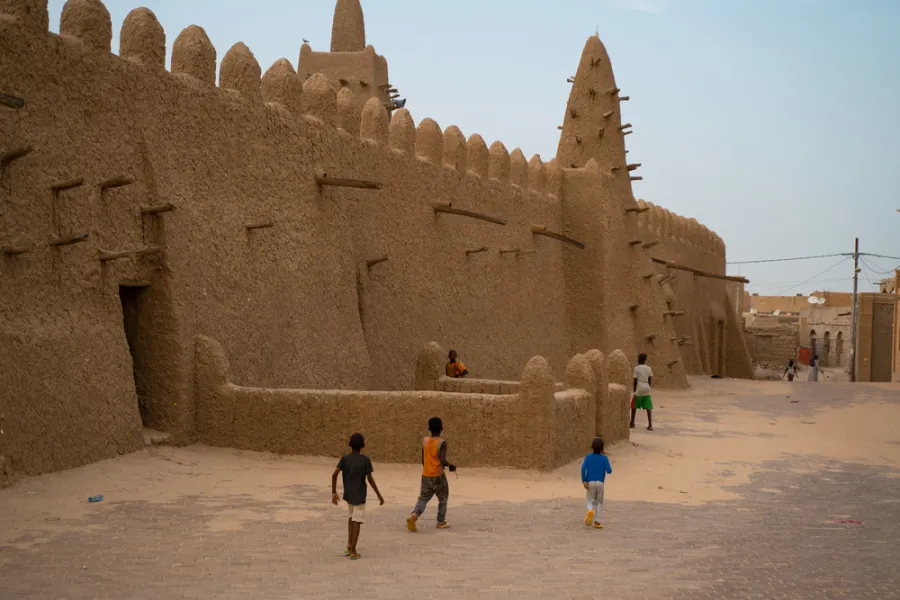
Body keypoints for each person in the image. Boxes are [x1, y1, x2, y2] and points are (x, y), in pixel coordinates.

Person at [331, 433, 384, 560]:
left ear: (350, 445)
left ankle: (349, 545)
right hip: (360, 495)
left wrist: (334, 492)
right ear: (363, 446)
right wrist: (379, 495)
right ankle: (353, 551)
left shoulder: (345, 458)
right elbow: (370, 479)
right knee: (357, 520)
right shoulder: (365, 460)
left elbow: (334, 474)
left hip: (348, 494)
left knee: (351, 518)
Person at [407, 417, 456, 532]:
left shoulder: (425, 441)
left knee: (423, 498)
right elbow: (443, 460)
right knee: (443, 498)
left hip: (426, 475)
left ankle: (414, 515)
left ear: (429, 429)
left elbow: (423, 459)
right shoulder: (442, 443)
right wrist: (451, 466)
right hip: (438, 475)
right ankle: (440, 521)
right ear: (441, 428)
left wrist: (427, 468)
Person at [581, 437, 613, 529]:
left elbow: (583, 469)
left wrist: (584, 480)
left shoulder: (588, 457)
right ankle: (597, 521)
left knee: (589, 500)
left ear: (592, 447)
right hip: (600, 483)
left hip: (590, 482)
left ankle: (590, 511)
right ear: (602, 448)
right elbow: (609, 470)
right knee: (599, 502)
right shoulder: (604, 458)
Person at [631, 353, 654, 431]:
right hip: (647, 387)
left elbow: (635, 380)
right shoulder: (648, 368)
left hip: (639, 388)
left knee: (634, 406)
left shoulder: (636, 368)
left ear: (639, 359)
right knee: (648, 407)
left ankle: (632, 423)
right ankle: (650, 425)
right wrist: (649, 387)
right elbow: (650, 379)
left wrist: (634, 388)